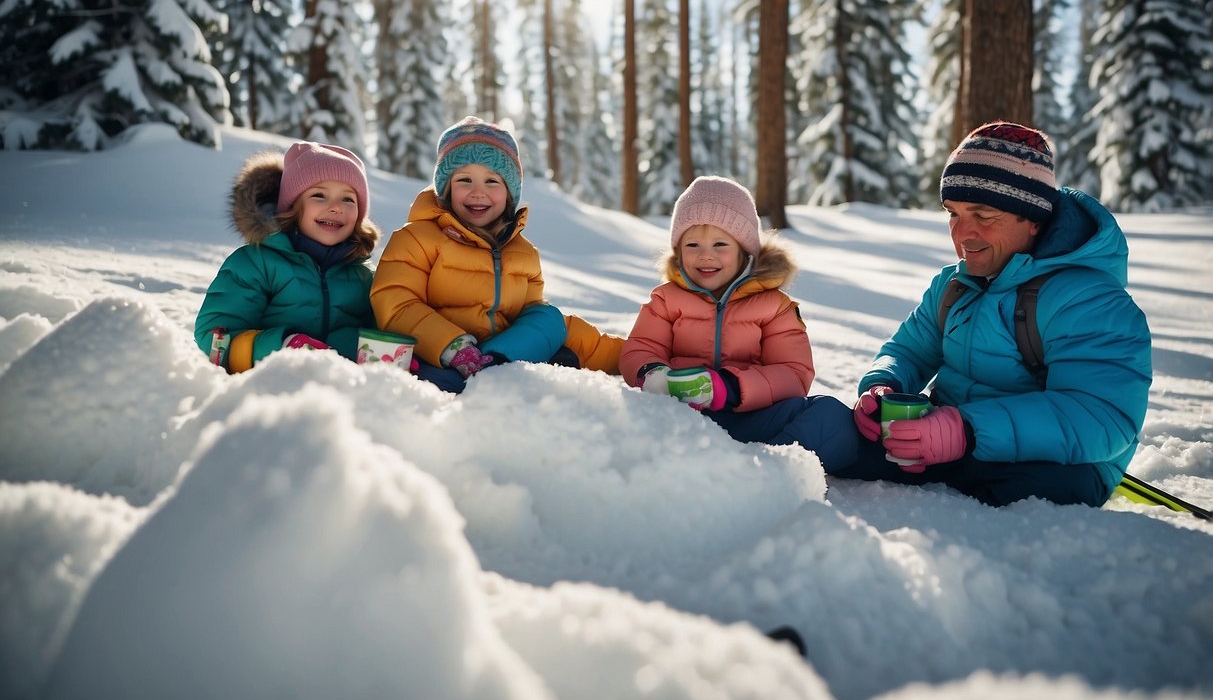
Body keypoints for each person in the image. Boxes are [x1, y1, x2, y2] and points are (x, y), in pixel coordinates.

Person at [836, 121, 1152, 507]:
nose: (962, 234)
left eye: (983, 215)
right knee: (827, 428)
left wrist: (967, 430)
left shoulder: (1090, 301)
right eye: (953, 214)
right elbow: (909, 350)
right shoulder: (953, 286)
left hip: (1060, 464)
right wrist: (882, 385)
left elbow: (1100, 416)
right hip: (946, 444)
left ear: (1034, 219)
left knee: (1014, 493)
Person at [619, 176, 858, 473]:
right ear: (678, 252)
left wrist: (730, 388)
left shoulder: (774, 306)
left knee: (831, 416)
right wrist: (652, 374)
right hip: (683, 418)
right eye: (692, 244)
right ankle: (724, 470)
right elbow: (640, 347)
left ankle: (770, 469)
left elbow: (793, 374)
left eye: (721, 244)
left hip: (752, 416)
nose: (706, 254)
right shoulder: (666, 300)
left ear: (745, 251)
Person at [371, 116, 622, 393]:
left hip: (499, 357)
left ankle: (495, 366)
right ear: (446, 189)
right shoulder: (417, 238)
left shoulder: (523, 253)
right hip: (438, 357)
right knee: (437, 380)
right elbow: (396, 302)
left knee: (549, 318)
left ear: (509, 194)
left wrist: (631, 358)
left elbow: (532, 320)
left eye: (492, 181)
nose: (478, 192)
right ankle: (485, 378)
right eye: (465, 180)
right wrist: (453, 348)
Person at [195, 142, 380, 372]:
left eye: (348, 199)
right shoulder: (256, 264)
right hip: (265, 388)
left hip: (340, 394)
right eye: (319, 195)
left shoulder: (364, 275)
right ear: (292, 208)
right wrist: (282, 347)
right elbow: (215, 340)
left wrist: (387, 358)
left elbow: (376, 332)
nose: (335, 207)